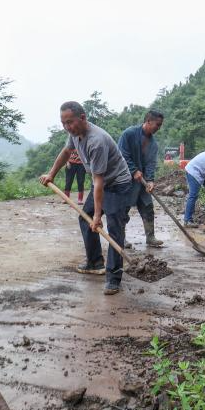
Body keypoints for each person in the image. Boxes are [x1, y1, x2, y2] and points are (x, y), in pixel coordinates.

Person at [40, 101, 133, 295]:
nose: (67, 127)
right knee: (85, 217)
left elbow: (99, 182)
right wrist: (51, 174)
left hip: (117, 184)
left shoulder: (96, 141)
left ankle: (114, 277)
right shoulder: (74, 134)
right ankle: (95, 262)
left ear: (82, 118)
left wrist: (98, 215)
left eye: (70, 122)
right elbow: (66, 152)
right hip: (101, 182)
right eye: (63, 123)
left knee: (114, 228)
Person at [117, 110, 164, 248]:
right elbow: (122, 154)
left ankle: (150, 237)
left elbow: (151, 163)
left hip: (142, 181)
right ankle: (121, 238)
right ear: (148, 121)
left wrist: (150, 180)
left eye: (160, 126)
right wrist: (133, 170)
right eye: (157, 124)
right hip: (126, 179)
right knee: (123, 209)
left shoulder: (153, 144)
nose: (158, 128)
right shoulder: (129, 134)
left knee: (148, 207)